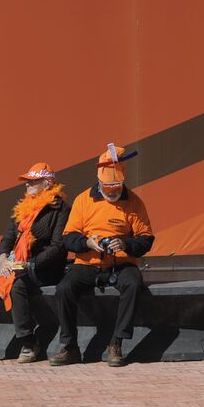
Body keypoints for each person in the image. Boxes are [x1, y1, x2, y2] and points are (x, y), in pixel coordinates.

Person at [0, 162, 70, 366]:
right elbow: (7, 238)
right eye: (27, 182)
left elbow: (58, 247)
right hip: (18, 266)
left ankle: (28, 342)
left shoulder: (60, 208)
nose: (27, 185)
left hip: (45, 269)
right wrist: (3, 259)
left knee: (17, 286)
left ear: (46, 183)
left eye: (32, 182)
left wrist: (29, 264)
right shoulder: (22, 207)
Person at [50, 144, 155, 367]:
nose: (111, 192)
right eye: (107, 188)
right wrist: (87, 242)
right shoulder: (83, 200)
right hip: (88, 262)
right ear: (99, 182)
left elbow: (146, 239)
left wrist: (124, 243)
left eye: (116, 188)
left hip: (121, 262)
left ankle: (116, 342)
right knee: (64, 289)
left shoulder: (134, 202)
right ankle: (69, 346)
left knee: (133, 284)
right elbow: (68, 236)